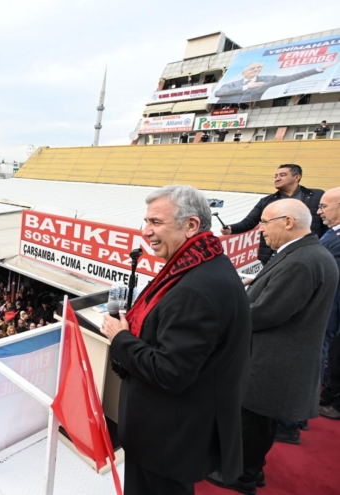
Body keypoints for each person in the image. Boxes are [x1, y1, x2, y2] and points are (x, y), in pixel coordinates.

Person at [101, 185, 251, 495]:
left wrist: (121, 338)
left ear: (191, 225)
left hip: (165, 441)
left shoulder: (196, 288)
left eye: (156, 222)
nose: (146, 231)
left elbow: (170, 371)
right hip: (169, 435)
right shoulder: (203, 265)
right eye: (146, 222)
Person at [218, 199, 338, 494]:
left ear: (287, 222)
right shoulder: (305, 253)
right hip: (279, 358)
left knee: (254, 421)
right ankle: (252, 469)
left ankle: (241, 475)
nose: (260, 230)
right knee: (260, 421)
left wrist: (226, 311)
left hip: (273, 360)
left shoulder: (302, 260)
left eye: (265, 223)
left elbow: (267, 312)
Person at [221, 164, 326, 264]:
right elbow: (249, 222)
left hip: (309, 252)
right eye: (275, 176)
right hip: (273, 256)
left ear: (297, 177)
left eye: (282, 175)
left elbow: (327, 224)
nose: (277, 178)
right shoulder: (266, 201)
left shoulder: (317, 195)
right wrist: (231, 228)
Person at [213, 60, 339, 103]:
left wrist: (320, 68)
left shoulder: (268, 79)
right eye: (252, 68)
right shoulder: (230, 84)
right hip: (224, 112)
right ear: (243, 72)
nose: (256, 70)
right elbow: (218, 93)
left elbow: (292, 77)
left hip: (248, 111)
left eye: (259, 68)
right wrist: (246, 87)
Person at [317, 187, 340, 419]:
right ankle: (330, 393)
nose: (319, 211)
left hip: (332, 311)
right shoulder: (332, 234)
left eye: (324, 206)